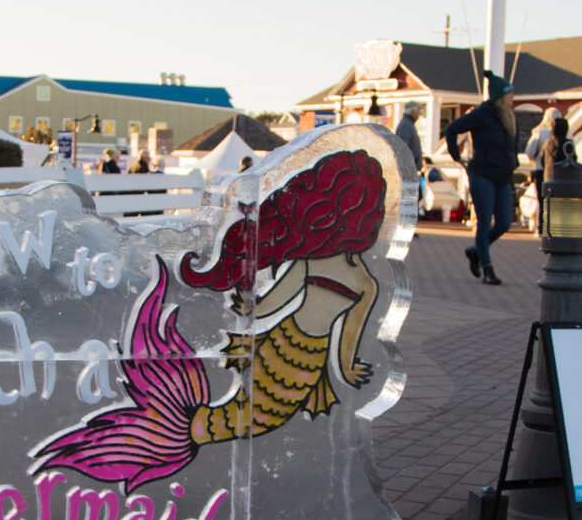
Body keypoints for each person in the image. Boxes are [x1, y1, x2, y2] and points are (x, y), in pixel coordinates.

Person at [37, 150, 385, 491]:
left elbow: (293, 315)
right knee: (257, 412)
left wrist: (343, 366)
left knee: (259, 413)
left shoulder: (328, 269)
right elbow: (314, 326)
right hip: (292, 355)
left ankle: (178, 430)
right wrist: (344, 366)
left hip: (292, 354)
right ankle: (189, 428)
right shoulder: (357, 282)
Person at [444, 71, 518, 286]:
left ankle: (476, 251)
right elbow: (452, 129)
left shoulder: (511, 117)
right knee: (484, 221)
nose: (513, 98)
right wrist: (457, 156)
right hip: (482, 174)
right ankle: (487, 267)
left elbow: (513, 144)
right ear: (499, 96)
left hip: (503, 177)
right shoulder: (482, 114)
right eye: (509, 94)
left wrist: (514, 162)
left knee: (504, 222)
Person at [524, 107, 561, 233]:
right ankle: (556, 228)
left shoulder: (539, 132)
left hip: (540, 169)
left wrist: (536, 158)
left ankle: (541, 228)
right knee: (557, 200)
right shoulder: (567, 133)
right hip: (560, 171)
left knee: (542, 199)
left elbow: (529, 152)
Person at [541, 116, 573, 183]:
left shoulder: (547, 143)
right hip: (565, 179)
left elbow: (542, 160)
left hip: (549, 178)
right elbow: (573, 160)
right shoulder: (569, 144)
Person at [395, 101, 424, 172]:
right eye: (418, 110)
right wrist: (414, 159)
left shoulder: (408, 124)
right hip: (408, 169)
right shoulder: (406, 125)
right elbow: (402, 148)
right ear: (412, 111)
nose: (420, 114)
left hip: (410, 168)